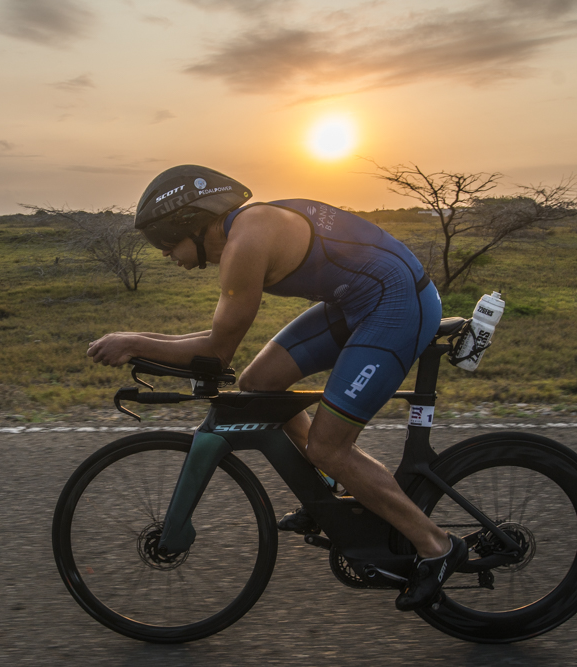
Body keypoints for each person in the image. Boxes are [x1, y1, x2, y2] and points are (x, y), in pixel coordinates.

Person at [86, 165, 467, 610]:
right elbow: (218, 353)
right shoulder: (244, 232)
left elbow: (215, 351)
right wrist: (138, 344)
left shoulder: (245, 243)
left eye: (166, 244)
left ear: (188, 224)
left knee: (330, 446)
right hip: (357, 299)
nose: (166, 254)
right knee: (259, 385)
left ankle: (438, 547)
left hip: (397, 303)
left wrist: (133, 341)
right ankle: (329, 490)